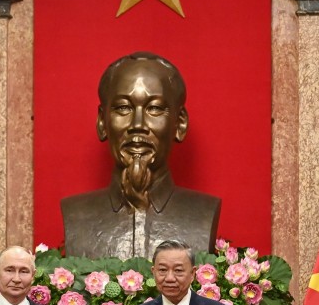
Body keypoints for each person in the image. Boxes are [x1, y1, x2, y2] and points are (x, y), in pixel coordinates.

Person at [61, 52, 220, 259]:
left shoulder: (203, 212)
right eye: (123, 108)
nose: (138, 125)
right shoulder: (77, 213)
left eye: (154, 109)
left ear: (180, 123)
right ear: (102, 122)